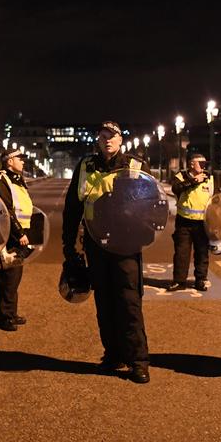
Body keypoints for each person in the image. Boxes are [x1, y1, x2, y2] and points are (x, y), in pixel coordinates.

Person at [62, 121, 151, 384]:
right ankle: (113, 354)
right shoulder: (86, 166)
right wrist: (69, 246)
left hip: (126, 245)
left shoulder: (136, 166)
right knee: (104, 301)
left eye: (112, 137)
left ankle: (138, 361)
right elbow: (72, 208)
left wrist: (144, 236)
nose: (108, 141)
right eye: (103, 136)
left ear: (121, 140)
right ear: (98, 140)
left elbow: (150, 206)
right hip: (96, 243)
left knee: (129, 302)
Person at [0, 148, 32, 331]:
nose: (23, 161)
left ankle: (11, 313)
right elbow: (6, 209)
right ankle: (4, 317)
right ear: (9, 162)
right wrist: (19, 232)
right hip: (7, 235)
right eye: (19, 159)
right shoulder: (1, 180)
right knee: (8, 277)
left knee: (14, 276)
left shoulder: (16, 180)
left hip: (14, 234)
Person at [168, 152, 214, 292]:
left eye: (205, 163)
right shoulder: (181, 176)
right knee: (182, 252)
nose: (203, 166)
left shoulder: (210, 178)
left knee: (202, 253)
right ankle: (179, 281)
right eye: (200, 163)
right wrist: (193, 181)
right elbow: (176, 188)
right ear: (191, 164)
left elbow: (217, 198)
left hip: (202, 223)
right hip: (184, 222)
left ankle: (201, 279)